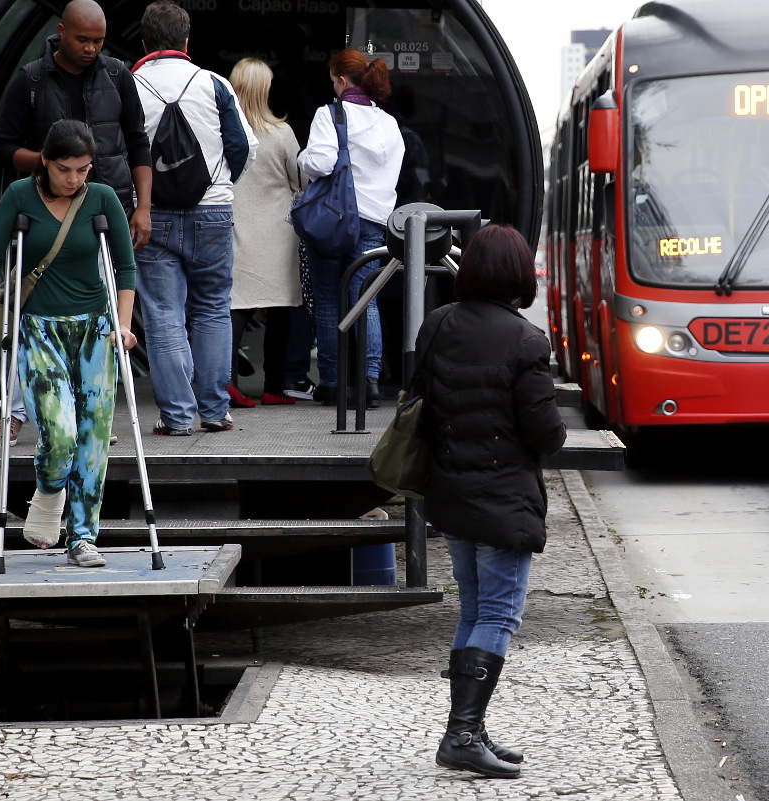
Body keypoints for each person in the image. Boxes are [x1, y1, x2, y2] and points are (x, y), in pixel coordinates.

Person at [0, 120, 138, 569]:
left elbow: (125, 267)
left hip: (95, 330)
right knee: (60, 434)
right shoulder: (19, 197)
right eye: (66, 169)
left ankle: (82, 537)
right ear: (45, 161)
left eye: (84, 169)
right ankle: (48, 487)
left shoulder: (101, 200)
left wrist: (122, 325)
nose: (75, 179)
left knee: (94, 436)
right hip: (39, 328)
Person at [413, 225, 567, 778]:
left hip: (451, 490)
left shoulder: (437, 325)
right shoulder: (527, 340)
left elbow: (420, 403)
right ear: (520, 275)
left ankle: (471, 728)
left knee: (475, 610)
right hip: (503, 499)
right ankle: (460, 734)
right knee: (499, 613)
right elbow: (545, 432)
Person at [0, 0, 151, 447]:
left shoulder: (118, 75)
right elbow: (3, 145)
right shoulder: (32, 80)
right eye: (83, 39)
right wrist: (49, 165)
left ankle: (91, 409)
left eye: (98, 41)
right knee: (29, 315)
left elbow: (138, 143)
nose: (91, 49)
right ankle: (15, 411)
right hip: (44, 213)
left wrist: (143, 206)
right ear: (61, 32)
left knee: (98, 314)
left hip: (103, 209)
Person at [132, 0, 257, 435]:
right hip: (212, 213)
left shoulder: (129, 84)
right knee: (212, 310)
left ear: (145, 41)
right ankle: (215, 410)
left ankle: (178, 417)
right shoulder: (213, 83)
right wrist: (220, 184)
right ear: (187, 41)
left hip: (151, 216)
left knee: (164, 313)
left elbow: (116, 152)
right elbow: (244, 147)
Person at [297, 49, 404, 409]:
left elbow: (322, 162)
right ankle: (370, 382)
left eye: (332, 81)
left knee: (329, 300)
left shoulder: (330, 114)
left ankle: (331, 383)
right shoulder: (388, 123)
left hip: (335, 219)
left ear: (342, 81)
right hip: (375, 221)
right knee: (365, 300)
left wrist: (302, 158)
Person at [225, 58, 304, 407]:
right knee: (281, 308)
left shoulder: (221, 131)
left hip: (234, 229)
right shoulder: (282, 133)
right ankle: (275, 384)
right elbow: (300, 180)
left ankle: (226, 380)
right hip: (277, 235)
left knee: (234, 307)